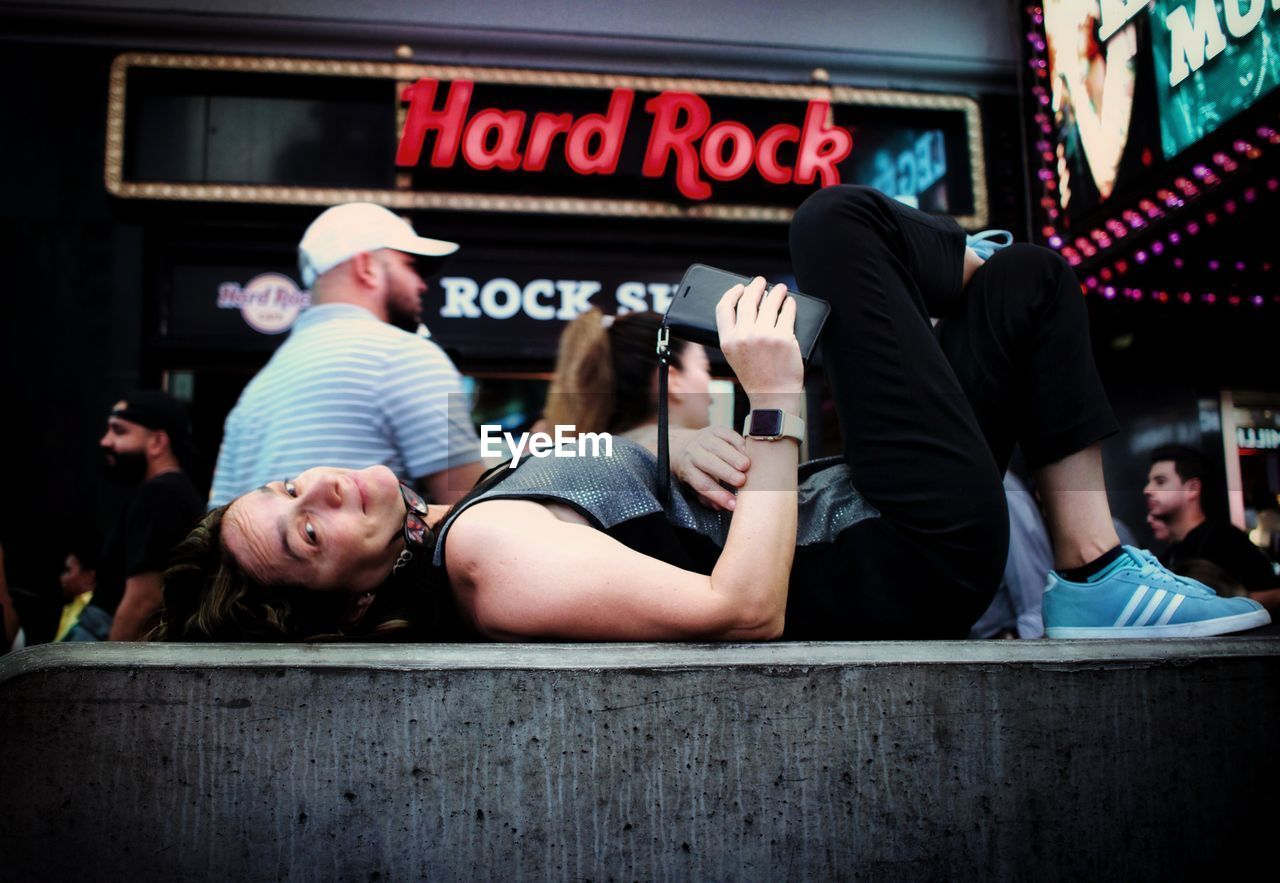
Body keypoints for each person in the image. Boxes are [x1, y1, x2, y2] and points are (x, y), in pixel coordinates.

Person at [153, 186, 1270, 643]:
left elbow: (627, 485)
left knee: (1029, 281)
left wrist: (687, 434)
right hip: (898, 550)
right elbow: (742, 606)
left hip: (864, 506)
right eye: (306, 530)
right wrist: (776, 396)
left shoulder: (472, 508)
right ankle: (949, 262)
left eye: (288, 484)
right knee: (834, 224)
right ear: (342, 604)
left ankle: (1092, 574)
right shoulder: (482, 553)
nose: (323, 488)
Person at [208, 203, 485, 509]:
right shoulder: (402, 356)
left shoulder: (257, 390)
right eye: (412, 266)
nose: (422, 284)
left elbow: (218, 528)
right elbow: (478, 512)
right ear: (365, 266)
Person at [70, 391, 205, 641]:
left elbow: (144, 602)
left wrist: (108, 670)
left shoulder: (162, 494)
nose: (105, 441)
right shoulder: (169, 492)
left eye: (119, 431)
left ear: (157, 442)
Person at [1145, 444, 1280, 611]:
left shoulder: (1224, 539)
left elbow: (1273, 594)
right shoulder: (1170, 553)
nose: (1147, 490)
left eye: (1160, 481)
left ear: (1193, 488)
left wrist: (1225, 610)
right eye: (1149, 482)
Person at [53, 541, 98, 642]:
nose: (62, 578)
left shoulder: (91, 609)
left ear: (89, 575)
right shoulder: (72, 604)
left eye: (68, 570)